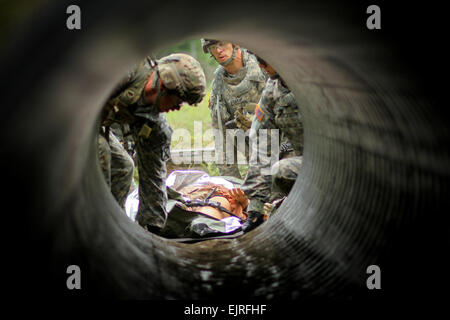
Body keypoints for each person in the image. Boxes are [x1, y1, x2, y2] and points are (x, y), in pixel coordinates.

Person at [99, 53, 206, 233]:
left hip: (94, 125)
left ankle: (109, 229)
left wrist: (153, 228)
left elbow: (153, 176)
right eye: (178, 99)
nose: (178, 107)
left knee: (123, 168)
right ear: (165, 85)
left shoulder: (154, 125)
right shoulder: (124, 70)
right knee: (100, 151)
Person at [240, 54, 304, 232]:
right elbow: (263, 144)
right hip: (301, 161)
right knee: (277, 184)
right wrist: (256, 208)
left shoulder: (313, 81)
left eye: (265, 60)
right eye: (258, 60)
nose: (261, 66)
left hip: (333, 163)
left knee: (282, 170)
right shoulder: (273, 89)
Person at [201, 39, 267, 179]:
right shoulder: (219, 86)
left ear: (235, 43)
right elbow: (222, 140)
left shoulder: (264, 67)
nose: (218, 50)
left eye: (221, 44)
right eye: (212, 47)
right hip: (255, 158)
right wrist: (231, 183)